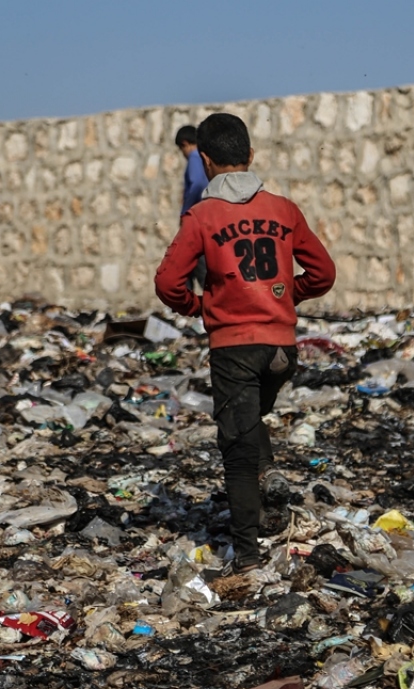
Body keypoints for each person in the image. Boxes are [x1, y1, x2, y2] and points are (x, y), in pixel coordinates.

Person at [155, 113, 336, 575]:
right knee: (252, 416)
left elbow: (168, 282)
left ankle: (248, 558)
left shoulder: (201, 216)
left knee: (235, 450)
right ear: (251, 156)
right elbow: (324, 274)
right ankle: (270, 469)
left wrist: (199, 308)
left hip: (234, 349)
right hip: (282, 349)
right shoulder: (284, 209)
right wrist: (286, 294)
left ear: (207, 161)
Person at [175, 125, 209, 215]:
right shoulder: (204, 156)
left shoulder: (194, 157)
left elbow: (197, 183)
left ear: (185, 144)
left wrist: (186, 210)